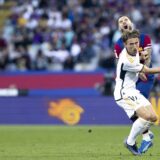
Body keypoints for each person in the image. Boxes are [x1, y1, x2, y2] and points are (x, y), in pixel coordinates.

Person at [114, 30, 159, 155]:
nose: (134, 46)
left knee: (153, 117)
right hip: (123, 93)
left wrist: (140, 59)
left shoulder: (133, 53)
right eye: (131, 44)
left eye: (136, 43)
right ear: (125, 45)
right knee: (145, 116)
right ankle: (130, 141)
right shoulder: (125, 60)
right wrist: (141, 67)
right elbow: (148, 70)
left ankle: (146, 138)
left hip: (132, 91)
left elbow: (137, 60)